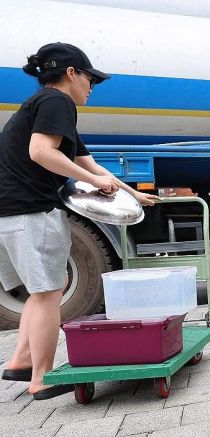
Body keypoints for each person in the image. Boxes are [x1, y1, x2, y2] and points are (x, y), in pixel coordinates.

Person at [0, 43, 159, 399]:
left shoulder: (41, 107)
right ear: (71, 73)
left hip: (10, 213)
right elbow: (40, 152)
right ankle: (41, 378)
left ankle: (22, 360)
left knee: (38, 294)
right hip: (33, 211)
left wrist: (132, 193)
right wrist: (93, 182)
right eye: (90, 79)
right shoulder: (57, 102)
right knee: (47, 295)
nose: (92, 87)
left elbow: (92, 167)